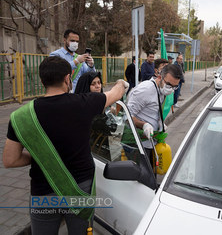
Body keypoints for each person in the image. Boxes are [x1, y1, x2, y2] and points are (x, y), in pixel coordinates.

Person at [2, 56, 128, 235]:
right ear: (68, 79)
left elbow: (10, 160)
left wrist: (41, 155)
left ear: (42, 80)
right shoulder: (85, 102)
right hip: (80, 188)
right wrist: (122, 82)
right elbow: (116, 93)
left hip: (42, 191)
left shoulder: (21, 116)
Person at [127, 64, 183, 168]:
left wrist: (159, 123)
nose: (171, 89)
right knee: (142, 179)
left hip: (151, 143)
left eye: (175, 86)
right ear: (159, 77)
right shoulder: (145, 90)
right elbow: (127, 117)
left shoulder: (161, 90)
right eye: (169, 85)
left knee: (151, 175)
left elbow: (153, 111)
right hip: (137, 146)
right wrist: (144, 125)